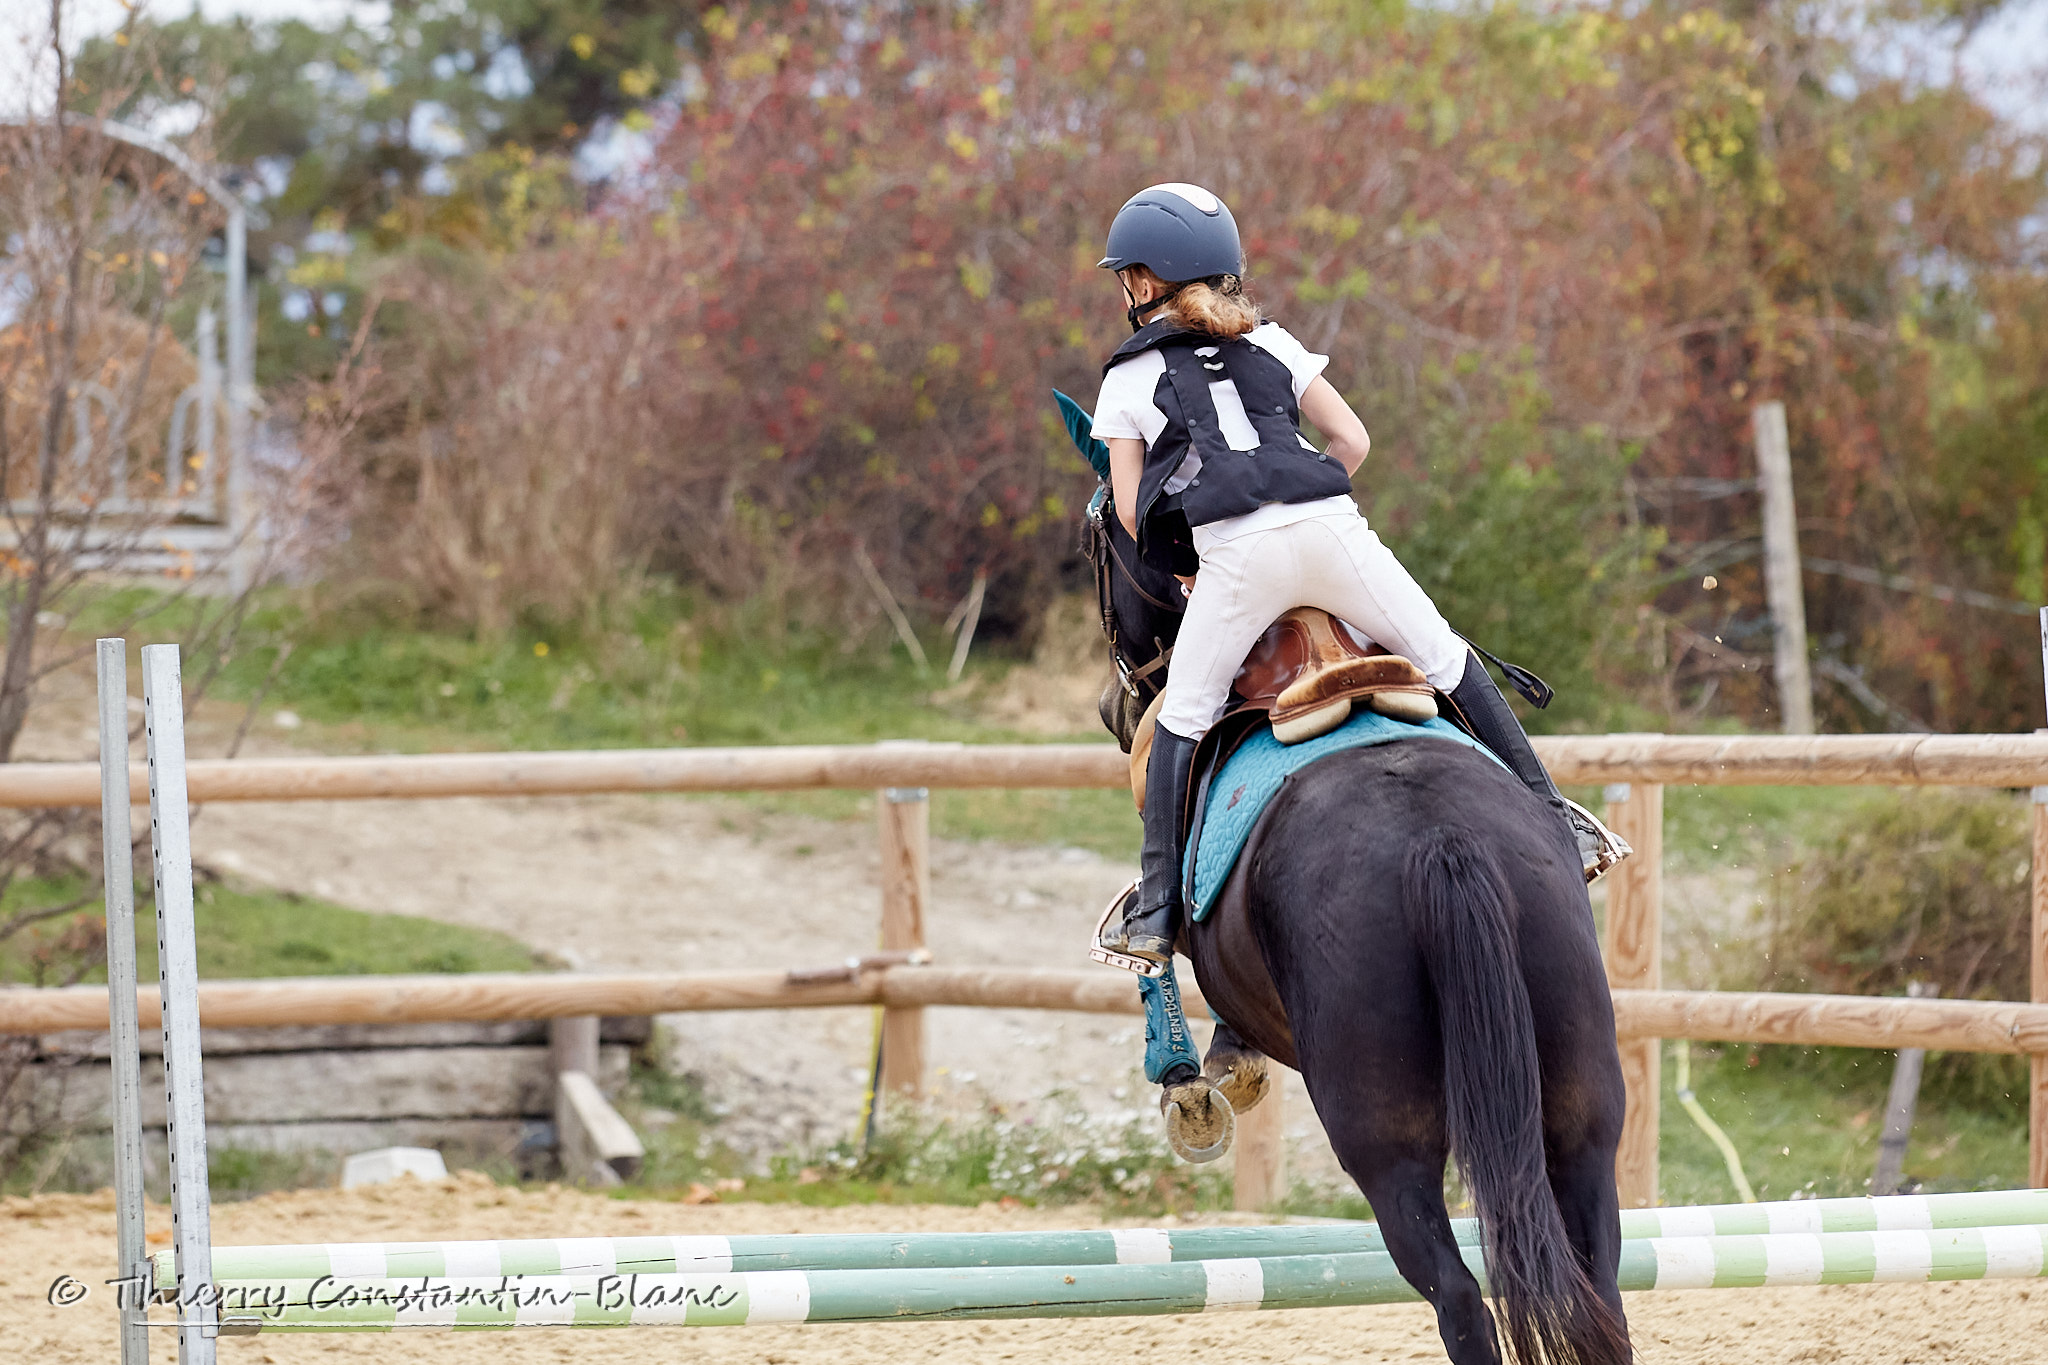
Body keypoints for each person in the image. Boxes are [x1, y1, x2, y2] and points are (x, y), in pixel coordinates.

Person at [1089, 183, 1629, 966]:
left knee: (1182, 719)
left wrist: (1197, 563)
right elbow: (1353, 439)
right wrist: (1309, 497)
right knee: (1447, 657)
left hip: (1239, 560)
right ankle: (1557, 820)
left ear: (1144, 282)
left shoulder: (1127, 378)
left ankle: (1156, 916)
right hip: (1335, 532)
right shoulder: (1274, 344)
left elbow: (1134, 514)